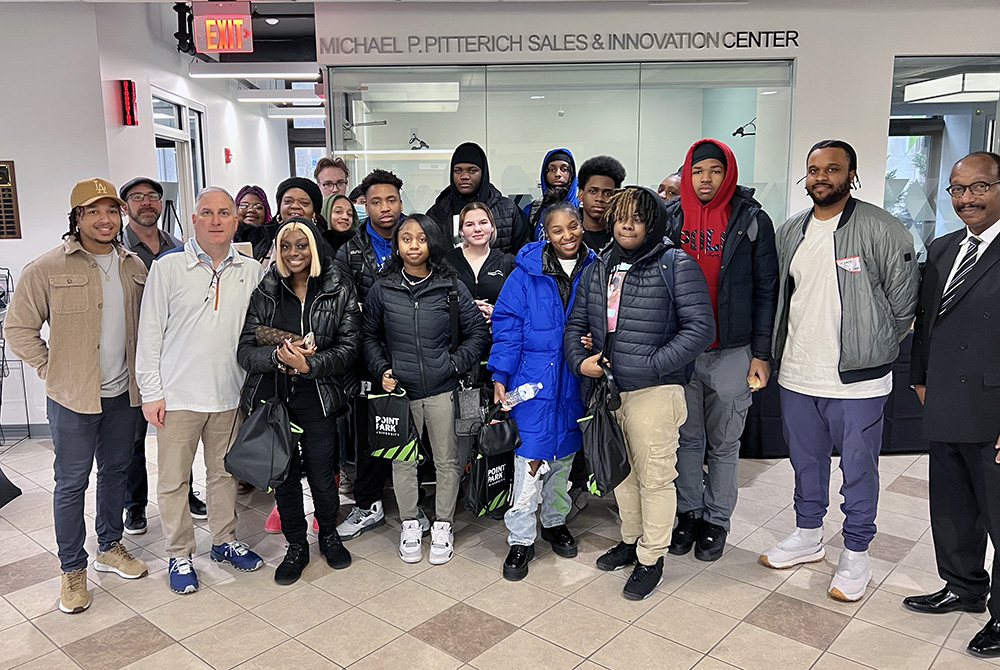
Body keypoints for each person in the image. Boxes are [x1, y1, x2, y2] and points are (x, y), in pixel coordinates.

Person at [760, 140, 918, 602]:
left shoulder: (883, 229)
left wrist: (874, 349)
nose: (821, 177)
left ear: (852, 175)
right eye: (813, 170)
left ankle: (856, 552)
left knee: (858, 467)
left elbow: (905, 304)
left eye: (832, 169)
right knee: (805, 462)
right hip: (797, 373)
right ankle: (808, 535)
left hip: (859, 378)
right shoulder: (791, 231)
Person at [5, 178, 149, 614]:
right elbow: (18, 330)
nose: (105, 220)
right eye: (94, 212)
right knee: (71, 483)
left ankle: (110, 545)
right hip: (73, 398)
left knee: (117, 472)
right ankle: (72, 568)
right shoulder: (45, 268)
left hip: (124, 394)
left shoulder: (134, 266)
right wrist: (53, 369)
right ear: (78, 218)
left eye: (112, 211)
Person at [564, 186, 715, 600]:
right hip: (607, 390)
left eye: (637, 217)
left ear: (653, 222)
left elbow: (700, 329)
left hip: (655, 391)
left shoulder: (675, 263)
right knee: (621, 474)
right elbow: (575, 324)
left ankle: (652, 557)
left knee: (655, 479)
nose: (627, 224)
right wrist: (581, 362)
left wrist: (651, 364)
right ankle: (631, 541)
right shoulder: (598, 268)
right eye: (620, 216)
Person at [136, 186, 266, 595]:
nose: (215, 220)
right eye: (206, 213)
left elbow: (257, 332)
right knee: (174, 480)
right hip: (177, 396)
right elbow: (150, 334)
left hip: (229, 393)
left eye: (224, 213)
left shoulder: (250, 271)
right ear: (193, 220)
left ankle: (224, 541)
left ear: (235, 220)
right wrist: (151, 391)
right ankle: (179, 552)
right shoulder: (168, 268)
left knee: (224, 474)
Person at [904, 152, 1000, 657]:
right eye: (957, 190)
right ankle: (963, 586)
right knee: (953, 507)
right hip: (944, 400)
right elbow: (928, 323)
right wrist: (919, 378)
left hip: (994, 409)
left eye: (979, 187)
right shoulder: (943, 249)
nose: (967, 199)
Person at [663, 139, 778, 562]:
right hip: (682, 349)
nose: (705, 178)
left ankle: (716, 520)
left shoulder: (751, 219)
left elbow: (768, 290)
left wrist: (761, 353)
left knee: (725, 443)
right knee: (687, 438)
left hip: (732, 350)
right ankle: (689, 513)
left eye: (714, 170)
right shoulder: (671, 218)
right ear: (687, 175)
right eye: (697, 171)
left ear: (727, 172)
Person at [361, 214, 489, 565]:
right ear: (397, 244)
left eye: (421, 238)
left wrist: (452, 365)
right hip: (400, 394)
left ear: (432, 242)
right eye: (406, 239)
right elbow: (369, 336)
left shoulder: (451, 286)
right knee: (402, 462)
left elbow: (478, 333)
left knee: (448, 461)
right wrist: (381, 369)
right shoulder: (382, 288)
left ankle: (444, 525)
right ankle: (410, 523)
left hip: (442, 390)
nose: (413, 245)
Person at [238, 218, 360, 585]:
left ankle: (328, 535)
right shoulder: (265, 291)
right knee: (285, 479)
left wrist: (309, 364)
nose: (294, 254)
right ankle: (296, 545)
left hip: (319, 398)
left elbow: (350, 348)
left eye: (301, 245)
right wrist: (277, 357)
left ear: (315, 247)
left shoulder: (338, 288)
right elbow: (245, 351)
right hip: (275, 400)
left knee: (324, 477)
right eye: (286, 246)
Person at [489, 201, 594, 581]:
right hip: (531, 385)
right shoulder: (524, 274)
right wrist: (500, 373)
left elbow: (605, 318)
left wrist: (593, 338)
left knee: (563, 460)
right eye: (557, 230)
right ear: (544, 234)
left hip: (575, 383)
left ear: (581, 226)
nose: (567, 235)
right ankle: (520, 538)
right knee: (528, 465)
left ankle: (554, 521)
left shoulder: (595, 269)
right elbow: (507, 326)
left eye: (573, 226)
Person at [118, 176, 206, 533]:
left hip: (174, 359)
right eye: (137, 198)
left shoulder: (177, 246)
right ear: (126, 207)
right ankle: (135, 504)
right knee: (132, 437)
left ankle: (186, 494)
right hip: (129, 356)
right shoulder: (117, 247)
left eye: (153, 197)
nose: (147, 203)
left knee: (177, 437)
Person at [335, 169, 408, 540]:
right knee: (373, 431)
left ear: (400, 200)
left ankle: (413, 504)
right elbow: (345, 307)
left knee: (415, 428)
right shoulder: (349, 250)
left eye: (391, 200)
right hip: (368, 353)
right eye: (376, 201)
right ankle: (368, 503)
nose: (384, 208)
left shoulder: (415, 237)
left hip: (413, 349)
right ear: (364, 203)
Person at [445, 202, 515, 383]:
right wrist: (464, 309)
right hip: (457, 350)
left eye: (483, 223)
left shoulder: (507, 263)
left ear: (492, 227)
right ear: (461, 231)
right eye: (469, 224)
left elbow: (519, 307)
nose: (477, 229)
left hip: (497, 348)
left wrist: (497, 313)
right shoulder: (447, 262)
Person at [426, 142, 532, 254]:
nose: (464, 176)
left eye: (472, 171)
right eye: (458, 171)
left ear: (483, 173)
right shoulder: (438, 213)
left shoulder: (508, 210)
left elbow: (524, 255)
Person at [245, 178, 325, 261]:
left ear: (314, 212)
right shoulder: (260, 237)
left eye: (304, 203)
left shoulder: (327, 242)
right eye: (288, 201)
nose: (295, 206)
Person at [525, 148, 579, 241]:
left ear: (571, 174)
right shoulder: (531, 211)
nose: (558, 174)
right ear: (545, 174)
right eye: (552, 169)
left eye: (564, 169)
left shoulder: (581, 210)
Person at [577, 155, 626, 252]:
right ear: (581, 195)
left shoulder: (624, 233)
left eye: (607, 193)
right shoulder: (569, 234)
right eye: (593, 191)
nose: (599, 198)